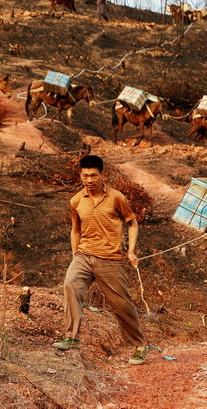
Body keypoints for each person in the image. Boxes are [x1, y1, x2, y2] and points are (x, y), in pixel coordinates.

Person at [52, 155, 147, 365]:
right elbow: (75, 229)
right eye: (85, 175)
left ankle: (139, 345)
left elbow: (132, 223)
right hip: (84, 255)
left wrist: (131, 251)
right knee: (70, 285)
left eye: (93, 175)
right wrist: (75, 254)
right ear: (80, 175)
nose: (89, 180)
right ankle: (72, 337)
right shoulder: (76, 201)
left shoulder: (116, 198)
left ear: (102, 175)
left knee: (121, 303)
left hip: (109, 259)